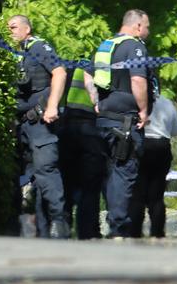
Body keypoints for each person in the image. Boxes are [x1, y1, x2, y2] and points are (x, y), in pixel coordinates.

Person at [92, 9, 153, 238]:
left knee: (109, 174)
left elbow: (91, 77)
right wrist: (144, 110)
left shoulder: (105, 46)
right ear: (137, 26)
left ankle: (111, 222)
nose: (147, 32)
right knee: (123, 173)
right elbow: (138, 80)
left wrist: (97, 102)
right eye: (147, 27)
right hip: (126, 122)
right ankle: (118, 228)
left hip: (104, 119)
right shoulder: (134, 46)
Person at [8, 15, 69, 238]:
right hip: (23, 125)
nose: (10, 30)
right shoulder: (19, 52)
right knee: (33, 177)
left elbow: (60, 72)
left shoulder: (39, 47)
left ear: (27, 28)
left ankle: (58, 225)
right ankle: (43, 231)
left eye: (14, 26)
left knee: (46, 172)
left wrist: (52, 106)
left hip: (40, 123)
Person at [58, 66, 107, 239]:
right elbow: (98, 100)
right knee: (90, 186)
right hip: (90, 131)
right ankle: (88, 232)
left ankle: (62, 229)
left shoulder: (65, 70)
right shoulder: (96, 71)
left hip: (66, 129)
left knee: (66, 184)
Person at [128, 91, 177, 238]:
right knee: (156, 195)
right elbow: (176, 131)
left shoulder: (134, 100)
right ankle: (157, 232)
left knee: (137, 193)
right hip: (162, 146)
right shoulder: (167, 103)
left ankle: (134, 232)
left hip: (142, 145)